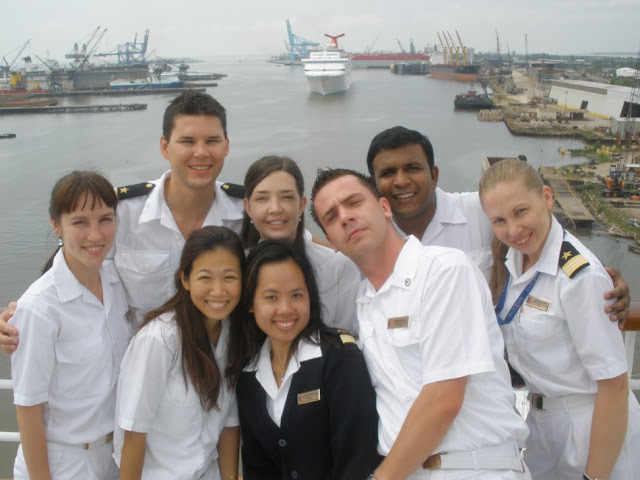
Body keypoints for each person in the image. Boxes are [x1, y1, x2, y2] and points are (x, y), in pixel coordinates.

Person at [310, 168, 530, 480]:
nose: (345, 217)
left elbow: (443, 399)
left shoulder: (443, 272)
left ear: (385, 208)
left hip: (471, 468)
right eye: (331, 217)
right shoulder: (364, 304)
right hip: (406, 470)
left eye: (354, 202)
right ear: (331, 240)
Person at [0, 90, 245, 348]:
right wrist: (19, 313)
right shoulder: (122, 212)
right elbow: (70, 264)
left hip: (223, 368)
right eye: (187, 141)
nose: (201, 152)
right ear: (165, 146)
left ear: (226, 146)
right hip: (138, 370)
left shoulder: (247, 213)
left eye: (212, 141)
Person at [366, 125, 630, 324]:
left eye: (412, 168)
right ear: (373, 184)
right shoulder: (370, 239)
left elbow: (547, 236)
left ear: (434, 175)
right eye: (388, 173)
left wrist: (598, 280)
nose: (401, 181)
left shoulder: (481, 211)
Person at [478, 158, 640, 480]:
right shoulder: (511, 260)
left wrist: (594, 477)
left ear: (548, 198)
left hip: (589, 423)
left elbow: (615, 385)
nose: (513, 229)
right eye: (499, 220)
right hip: (539, 423)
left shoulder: (579, 277)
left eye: (521, 211)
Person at [10, 171, 131, 479]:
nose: (96, 235)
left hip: (114, 456)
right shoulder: (40, 307)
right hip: (62, 462)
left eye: (105, 219)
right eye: (80, 222)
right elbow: (28, 409)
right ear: (56, 226)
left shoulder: (119, 285)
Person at [226, 240, 381, 479]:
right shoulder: (247, 376)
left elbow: (358, 458)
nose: (286, 309)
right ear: (250, 303)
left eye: (297, 295)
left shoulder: (340, 357)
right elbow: (257, 468)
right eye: (271, 298)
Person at [114, 226, 243, 480]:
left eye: (229, 277)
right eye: (205, 278)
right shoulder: (159, 340)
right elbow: (133, 435)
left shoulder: (232, 333)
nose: (218, 291)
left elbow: (229, 424)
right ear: (185, 279)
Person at [241, 155, 361, 333]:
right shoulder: (239, 267)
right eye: (262, 199)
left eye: (287, 198)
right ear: (248, 207)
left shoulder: (338, 267)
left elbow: (350, 337)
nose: (275, 208)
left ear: (302, 205)